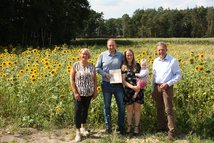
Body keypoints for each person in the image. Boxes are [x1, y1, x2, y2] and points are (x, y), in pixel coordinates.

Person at [152, 42, 182, 140]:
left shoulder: (172, 61)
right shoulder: (155, 61)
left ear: (166, 49)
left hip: (167, 87)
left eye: (162, 49)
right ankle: (160, 127)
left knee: (168, 109)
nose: (160, 51)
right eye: (159, 50)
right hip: (157, 87)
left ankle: (171, 131)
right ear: (157, 51)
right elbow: (154, 75)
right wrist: (153, 88)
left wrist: (168, 83)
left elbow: (178, 75)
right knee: (159, 108)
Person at [95, 38, 125, 134]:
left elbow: (124, 66)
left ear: (116, 45)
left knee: (121, 105)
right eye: (109, 45)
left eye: (113, 45)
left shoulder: (120, 55)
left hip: (118, 84)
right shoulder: (102, 55)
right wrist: (104, 74)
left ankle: (121, 126)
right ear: (107, 46)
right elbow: (97, 68)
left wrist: (123, 69)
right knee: (107, 106)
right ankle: (108, 127)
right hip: (106, 84)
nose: (111, 47)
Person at [70, 48, 97, 142]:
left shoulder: (92, 66)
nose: (84, 55)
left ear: (88, 56)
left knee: (85, 110)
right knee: (77, 111)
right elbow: (72, 79)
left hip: (89, 92)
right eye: (83, 54)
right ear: (80, 55)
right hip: (79, 93)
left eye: (86, 54)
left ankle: (83, 127)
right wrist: (75, 92)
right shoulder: (75, 65)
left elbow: (95, 79)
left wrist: (95, 91)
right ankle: (77, 132)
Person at [121, 49, 145, 135]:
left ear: (133, 55)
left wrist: (139, 87)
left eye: (130, 55)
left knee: (137, 109)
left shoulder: (138, 65)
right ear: (125, 56)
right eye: (127, 55)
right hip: (128, 91)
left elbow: (143, 76)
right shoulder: (123, 67)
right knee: (129, 110)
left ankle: (137, 127)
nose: (129, 56)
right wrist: (132, 87)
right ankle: (129, 126)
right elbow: (123, 81)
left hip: (138, 90)